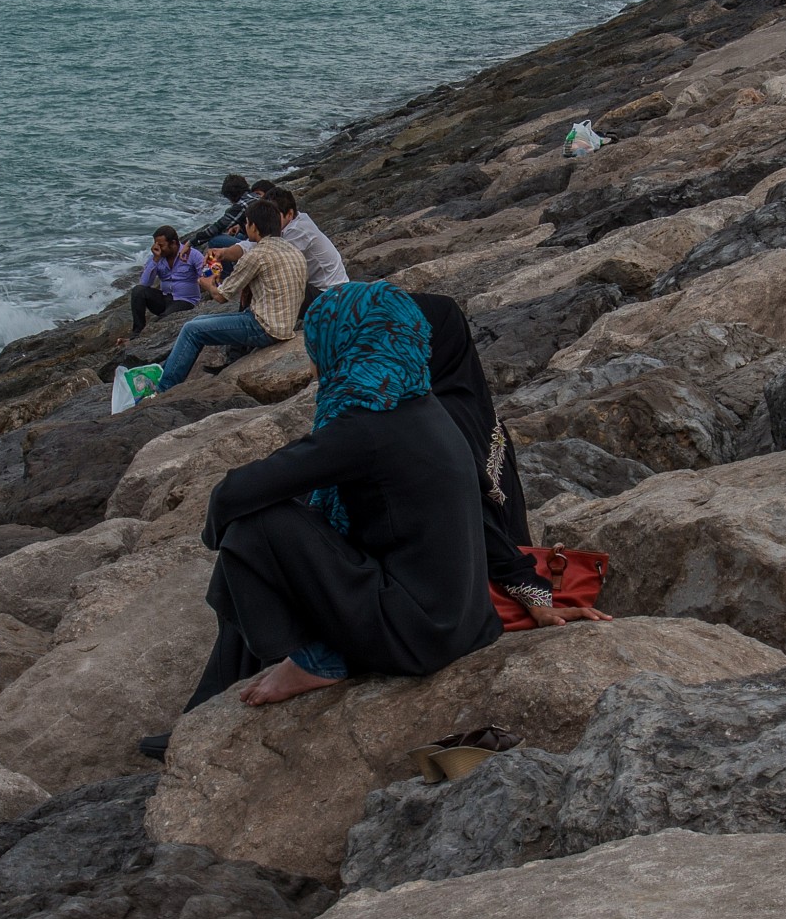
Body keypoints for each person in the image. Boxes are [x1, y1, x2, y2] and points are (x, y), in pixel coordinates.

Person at [177, 282, 504, 712]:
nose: (312, 359)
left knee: (255, 528)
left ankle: (319, 660)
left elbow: (232, 495)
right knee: (279, 525)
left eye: (315, 344)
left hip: (417, 635)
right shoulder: (418, 405)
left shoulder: (366, 426)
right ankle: (212, 696)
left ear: (345, 342)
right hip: (458, 623)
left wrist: (216, 536)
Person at [411, 292, 609, 627]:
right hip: (498, 565)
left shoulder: (431, 419)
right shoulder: (476, 405)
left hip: (457, 588)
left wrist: (528, 588)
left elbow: (470, 511)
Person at [155, 199, 308, 392]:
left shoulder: (257, 254)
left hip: (265, 327)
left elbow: (221, 296)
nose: (245, 227)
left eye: (247, 223)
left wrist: (206, 282)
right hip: (285, 323)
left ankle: (163, 389)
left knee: (191, 329)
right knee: (201, 319)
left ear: (253, 226)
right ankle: (163, 371)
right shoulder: (292, 250)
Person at [262, 186, 349, 292]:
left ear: (289, 214)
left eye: (273, 215)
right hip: (321, 287)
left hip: (329, 292)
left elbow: (271, 261)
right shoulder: (292, 221)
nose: (268, 220)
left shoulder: (299, 230)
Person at [128, 227, 209, 338]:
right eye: (156, 245)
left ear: (173, 243)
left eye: (161, 245)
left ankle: (148, 333)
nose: (158, 248)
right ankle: (137, 332)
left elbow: (206, 274)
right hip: (165, 298)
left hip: (185, 300)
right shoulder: (157, 257)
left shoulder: (192, 255)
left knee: (164, 320)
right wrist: (155, 260)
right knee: (138, 291)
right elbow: (145, 283)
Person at [187, 174, 263, 250]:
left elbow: (217, 227)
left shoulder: (241, 206)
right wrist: (240, 226)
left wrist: (190, 243)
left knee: (214, 240)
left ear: (230, 196)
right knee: (238, 235)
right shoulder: (256, 197)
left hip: (259, 244)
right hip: (266, 238)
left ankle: (233, 261)